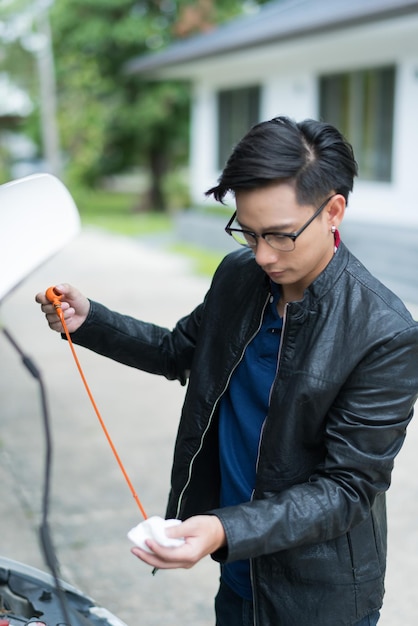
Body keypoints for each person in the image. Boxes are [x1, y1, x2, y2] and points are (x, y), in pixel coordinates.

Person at [36, 116, 418, 626]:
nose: (262, 255)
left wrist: (223, 530)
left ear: (333, 211)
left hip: (318, 599)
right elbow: (179, 351)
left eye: (280, 237)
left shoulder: (385, 332)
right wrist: (91, 322)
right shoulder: (240, 276)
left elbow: (347, 489)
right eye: (248, 233)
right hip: (238, 574)